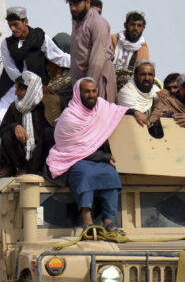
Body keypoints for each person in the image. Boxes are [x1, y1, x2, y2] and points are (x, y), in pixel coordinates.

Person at [46, 77, 129, 232]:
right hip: (73, 158)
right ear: (78, 93)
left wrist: (136, 113)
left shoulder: (102, 107)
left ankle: (108, 221)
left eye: (93, 91)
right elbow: (78, 148)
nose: (91, 95)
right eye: (87, 92)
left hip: (96, 158)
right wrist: (104, 157)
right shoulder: (69, 116)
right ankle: (87, 221)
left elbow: (120, 111)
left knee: (111, 174)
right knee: (85, 175)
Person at [0, 6, 71, 133]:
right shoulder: (7, 44)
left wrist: (81, 62)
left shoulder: (40, 37)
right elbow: (11, 69)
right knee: (4, 130)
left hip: (40, 91)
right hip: (15, 91)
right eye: (10, 25)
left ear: (26, 21)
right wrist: (27, 87)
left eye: (15, 24)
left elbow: (58, 57)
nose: (13, 29)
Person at [0, 72, 53, 176]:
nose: (16, 93)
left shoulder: (49, 103)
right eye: (16, 89)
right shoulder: (14, 107)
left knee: (49, 133)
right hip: (23, 158)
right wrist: (15, 126)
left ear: (30, 89)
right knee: (7, 135)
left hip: (42, 155)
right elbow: (2, 130)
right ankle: (23, 168)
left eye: (19, 89)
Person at [67, 0, 116, 101]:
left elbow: (97, 61)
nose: (73, 8)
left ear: (88, 2)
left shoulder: (98, 23)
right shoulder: (77, 18)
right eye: (70, 4)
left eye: (76, 4)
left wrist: (88, 88)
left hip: (97, 80)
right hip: (81, 81)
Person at [111, 11, 151, 91]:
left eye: (139, 26)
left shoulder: (143, 49)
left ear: (143, 28)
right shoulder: (113, 39)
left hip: (129, 89)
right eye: (133, 24)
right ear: (125, 25)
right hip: (109, 82)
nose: (135, 28)